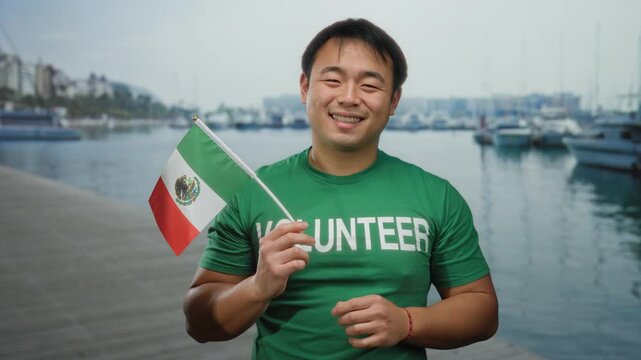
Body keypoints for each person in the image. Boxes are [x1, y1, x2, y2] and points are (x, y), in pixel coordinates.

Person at [183, 18, 498, 359]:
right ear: (305, 87)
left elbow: (482, 311)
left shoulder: (436, 196)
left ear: (394, 100)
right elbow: (198, 322)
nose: (349, 98)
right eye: (333, 80)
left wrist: (407, 322)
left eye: (370, 86)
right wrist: (257, 287)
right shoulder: (252, 192)